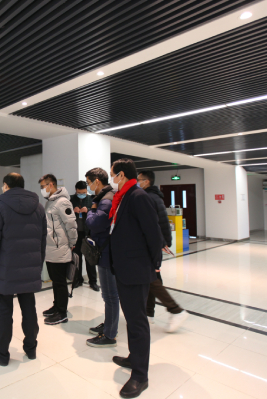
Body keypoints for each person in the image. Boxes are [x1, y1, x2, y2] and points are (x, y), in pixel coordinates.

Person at [109, 159, 163, 398]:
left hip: (136, 268)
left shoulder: (138, 197)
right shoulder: (124, 197)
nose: (112, 180)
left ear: (121, 175)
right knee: (131, 318)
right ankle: (134, 357)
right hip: (125, 267)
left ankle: (141, 375)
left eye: (113, 175)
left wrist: (155, 264)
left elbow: (153, 233)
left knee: (138, 321)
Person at [0, 173, 46, 366]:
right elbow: (42, 241)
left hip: (5, 269)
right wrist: (37, 265)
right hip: (29, 267)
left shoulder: (0, 206)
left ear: (6, 186)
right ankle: (31, 348)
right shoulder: (38, 206)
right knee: (29, 308)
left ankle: (1, 354)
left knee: (4, 312)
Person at [137, 171, 189, 333]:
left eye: (139, 180)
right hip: (154, 244)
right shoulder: (155, 197)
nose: (137, 182)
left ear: (146, 181)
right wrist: (165, 241)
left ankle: (176, 310)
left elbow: (157, 224)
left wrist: (163, 242)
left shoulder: (148, 198)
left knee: (152, 279)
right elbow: (163, 222)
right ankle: (149, 314)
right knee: (151, 279)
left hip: (150, 245)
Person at [84, 168, 118, 348]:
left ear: (97, 181)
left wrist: (90, 211)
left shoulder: (105, 200)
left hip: (107, 252)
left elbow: (95, 223)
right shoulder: (105, 197)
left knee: (110, 295)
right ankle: (108, 325)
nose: (88, 186)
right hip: (106, 250)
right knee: (108, 295)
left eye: (89, 183)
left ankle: (109, 335)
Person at [39, 174, 78, 325]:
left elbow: (71, 224)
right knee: (55, 281)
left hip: (59, 248)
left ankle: (62, 313)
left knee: (60, 282)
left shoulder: (63, 202)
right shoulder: (50, 202)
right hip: (50, 247)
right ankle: (57, 306)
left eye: (43, 186)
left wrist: (73, 242)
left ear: (51, 185)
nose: (42, 189)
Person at [70, 181, 99, 291]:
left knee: (89, 258)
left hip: (88, 233)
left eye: (84, 192)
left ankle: (93, 281)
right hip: (76, 233)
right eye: (79, 193)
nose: (82, 194)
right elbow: (65, 213)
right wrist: (72, 211)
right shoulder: (71, 199)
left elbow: (97, 213)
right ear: (76, 191)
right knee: (77, 259)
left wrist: (89, 210)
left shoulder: (91, 199)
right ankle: (78, 279)